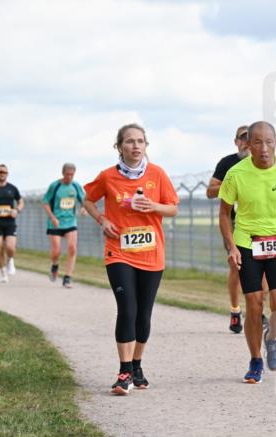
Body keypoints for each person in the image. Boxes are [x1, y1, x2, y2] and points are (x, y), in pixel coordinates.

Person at [82, 123, 179, 396]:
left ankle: (137, 364)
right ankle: (123, 371)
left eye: (140, 141)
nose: (135, 146)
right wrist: (102, 219)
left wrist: (154, 206)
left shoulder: (157, 174)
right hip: (119, 252)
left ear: (146, 145)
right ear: (119, 147)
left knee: (144, 313)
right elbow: (87, 200)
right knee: (127, 309)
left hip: (151, 254)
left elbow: (172, 208)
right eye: (129, 142)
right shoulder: (108, 176)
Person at [218, 121, 276, 384]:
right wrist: (231, 246)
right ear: (248, 145)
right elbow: (223, 212)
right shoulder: (236, 174)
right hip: (248, 243)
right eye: (257, 142)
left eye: (269, 142)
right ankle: (255, 360)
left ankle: (272, 338)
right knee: (254, 306)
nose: (264, 148)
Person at [206, 124, 266, 335]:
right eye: (242, 139)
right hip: (234, 222)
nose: (246, 143)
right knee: (237, 266)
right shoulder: (228, 163)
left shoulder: (264, 162)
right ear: (236, 142)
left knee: (265, 269)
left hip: (260, 223)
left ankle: (258, 309)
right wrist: (232, 185)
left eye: (250, 139)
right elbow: (210, 192)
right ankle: (235, 310)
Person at [43, 162, 86, 289]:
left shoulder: (76, 186)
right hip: (55, 223)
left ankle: (67, 278)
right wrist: (52, 217)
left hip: (70, 222)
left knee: (72, 248)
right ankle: (54, 265)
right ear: (63, 173)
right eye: (67, 174)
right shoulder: (54, 186)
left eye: (72, 175)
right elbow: (45, 202)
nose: (69, 177)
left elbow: (84, 200)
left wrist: (84, 208)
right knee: (57, 251)